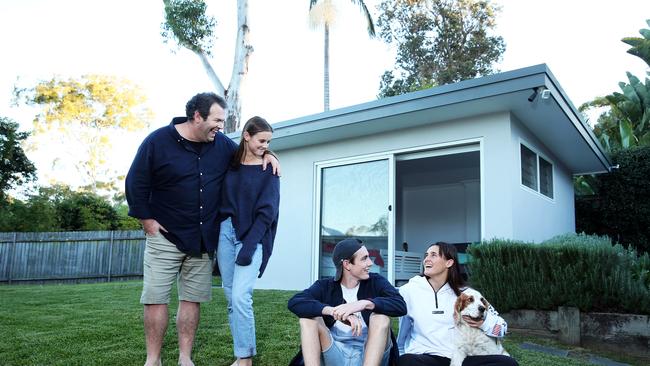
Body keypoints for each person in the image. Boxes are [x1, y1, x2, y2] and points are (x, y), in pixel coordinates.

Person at [125, 92, 279, 366]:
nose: (221, 126)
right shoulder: (157, 142)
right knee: (156, 299)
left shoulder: (221, 145)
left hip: (203, 240)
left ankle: (185, 358)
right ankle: (153, 359)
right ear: (197, 116)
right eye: (217, 120)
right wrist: (147, 221)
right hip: (165, 237)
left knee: (191, 300)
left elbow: (250, 150)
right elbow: (136, 182)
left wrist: (269, 153)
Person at [217, 116, 280, 366]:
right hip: (225, 232)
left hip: (253, 236)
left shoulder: (269, 170)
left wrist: (250, 246)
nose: (265, 145)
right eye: (261, 140)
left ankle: (246, 359)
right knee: (231, 295)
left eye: (268, 142)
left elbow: (268, 213)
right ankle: (241, 354)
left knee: (242, 296)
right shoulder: (229, 164)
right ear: (246, 136)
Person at [288, 238, 407, 366]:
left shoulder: (376, 282)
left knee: (381, 318)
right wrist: (334, 311)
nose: (370, 263)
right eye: (364, 258)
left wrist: (363, 304)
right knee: (308, 320)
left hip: (369, 355)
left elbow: (400, 305)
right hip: (333, 353)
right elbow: (295, 302)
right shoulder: (325, 286)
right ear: (347, 264)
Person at [396, 242, 519, 366]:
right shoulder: (409, 290)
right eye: (426, 255)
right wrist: (400, 355)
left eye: (433, 255)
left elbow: (502, 328)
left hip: (460, 359)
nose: (426, 259)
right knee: (406, 361)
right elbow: (403, 331)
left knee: (508, 363)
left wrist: (484, 323)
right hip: (425, 357)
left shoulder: (468, 294)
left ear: (449, 262)